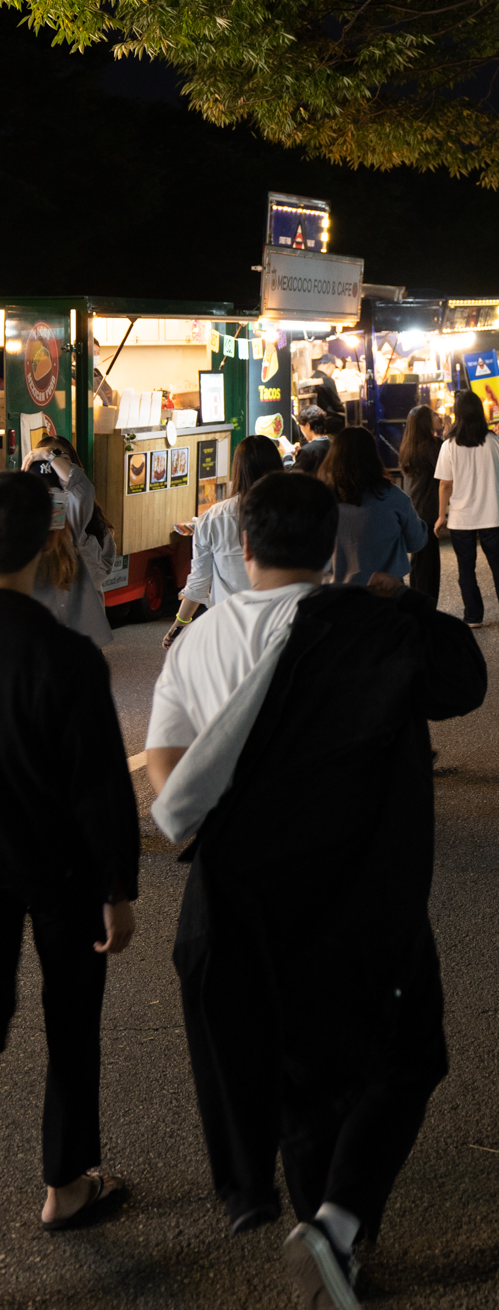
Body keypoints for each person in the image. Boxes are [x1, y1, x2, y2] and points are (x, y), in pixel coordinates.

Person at [145, 471, 486, 1307]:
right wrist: (409, 603)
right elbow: (462, 686)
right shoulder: (368, 627)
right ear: (330, 545)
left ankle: (323, 1233)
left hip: (247, 900)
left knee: (298, 1076)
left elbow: (168, 775)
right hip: (362, 888)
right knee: (407, 1054)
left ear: (243, 544)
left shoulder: (195, 644)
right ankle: (336, 1227)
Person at [0, 470, 138, 1232]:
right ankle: (65, 1183)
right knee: (71, 1019)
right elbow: (99, 789)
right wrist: (116, 889)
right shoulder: (65, 655)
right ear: (44, 541)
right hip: (61, 867)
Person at [165, 434, 285, 648]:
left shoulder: (213, 517)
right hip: (278, 624)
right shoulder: (292, 513)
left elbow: (199, 580)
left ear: (237, 470)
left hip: (227, 628)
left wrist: (180, 624)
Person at [434, 391, 499, 627]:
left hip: (461, 518)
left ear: (457, 413)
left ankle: (473, 616)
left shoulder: (449, 445)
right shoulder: (494, 441)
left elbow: (445, 484)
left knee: (466, 570)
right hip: (491, 515)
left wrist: (441, 515)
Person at [22, 438, 117, 650]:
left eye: (61, 459)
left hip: (80, 638)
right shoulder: (24, 521)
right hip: (40, 639)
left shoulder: (90, 523)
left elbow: (96, 576)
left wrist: (48, 454)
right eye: (45, 463)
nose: (54, 467)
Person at [322, 426, 427, 587]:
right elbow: (417, 541)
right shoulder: (393, 497)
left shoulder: (322, 501)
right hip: (385, 591)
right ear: (373, 457)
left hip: (334, 592)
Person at [398, 405, 443, 604]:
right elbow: (444, 472)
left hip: (413, 508)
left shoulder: (408, 446)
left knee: (418, 561)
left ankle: (417, 603)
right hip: (428, 509)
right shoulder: (431, 446)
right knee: (428, 564)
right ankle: (426, 605)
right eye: (433, 415)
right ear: (426, 422)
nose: (437, 417)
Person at [294, 408, 336, 475]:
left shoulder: (307, 451)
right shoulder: (333, 445)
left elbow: (292, 477)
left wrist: (287, 455)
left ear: (308, 425)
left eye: (300, 427)